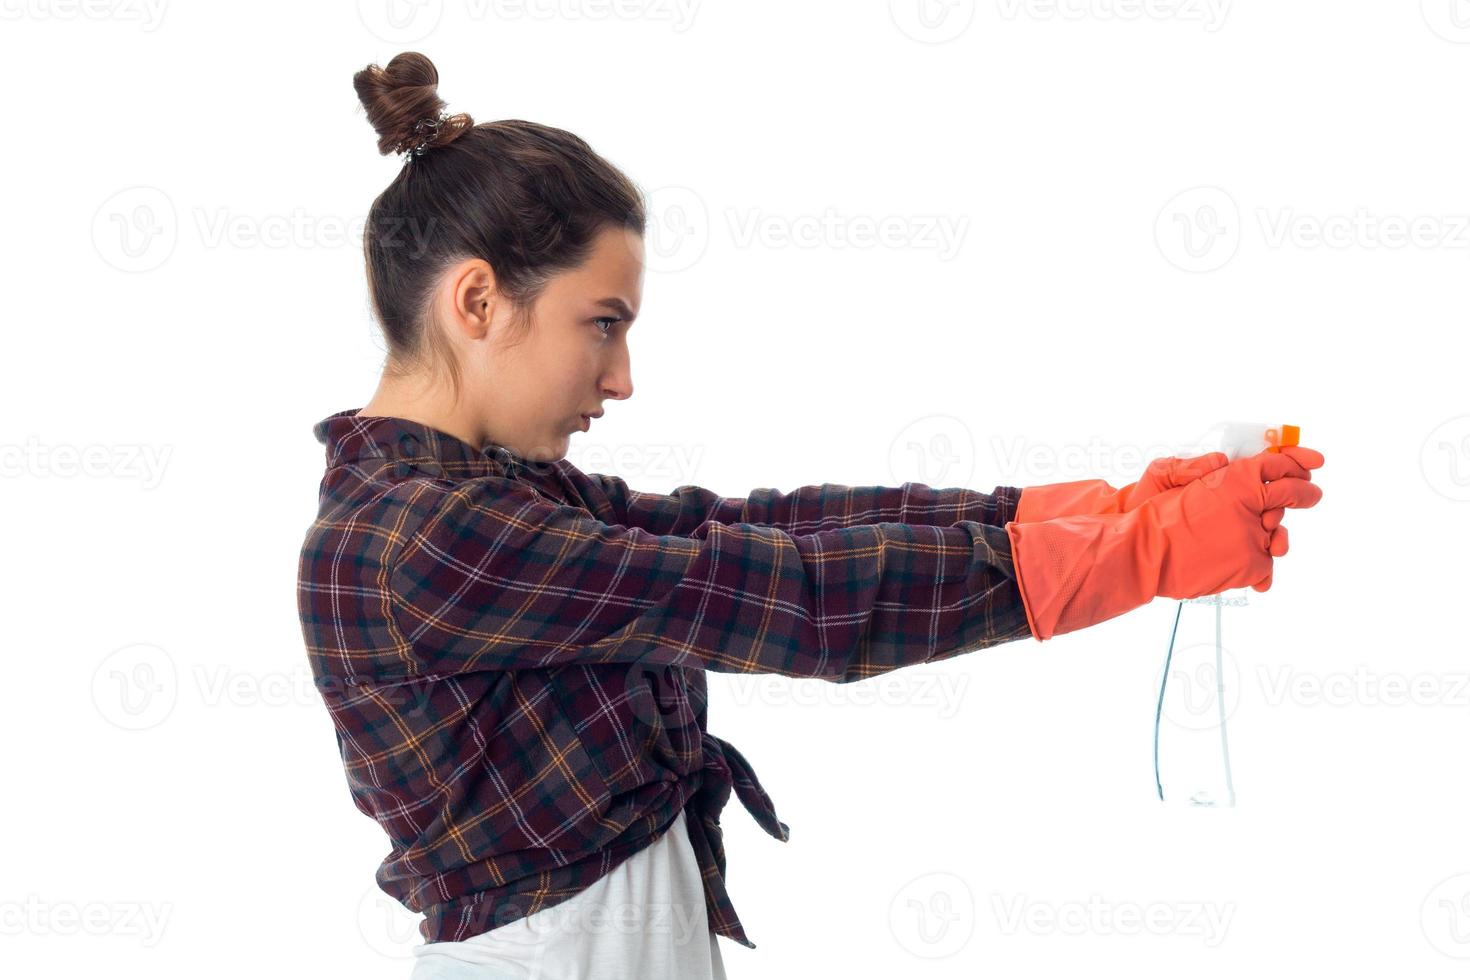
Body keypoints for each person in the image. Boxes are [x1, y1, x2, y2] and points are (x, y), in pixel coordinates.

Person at [296, 51, 1326, 980]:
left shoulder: (489, 493)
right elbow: (781, 596)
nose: (621, 377)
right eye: (601, 325)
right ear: (478, 303)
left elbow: (751, 529)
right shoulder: (415, 539)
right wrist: (1138, 555)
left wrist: (1097, 509)